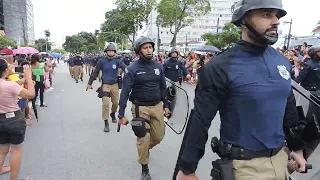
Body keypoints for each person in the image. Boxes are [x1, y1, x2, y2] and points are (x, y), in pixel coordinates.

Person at [176, 0, 307, 180]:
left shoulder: (281, 61)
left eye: (277, 15)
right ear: (244, 20)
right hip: (244, 168)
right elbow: (200, 121)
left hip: (280, 162)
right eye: (266, 14)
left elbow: (288, 107)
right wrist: (187, 169)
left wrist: (297, 148)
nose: (276, 21)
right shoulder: (220, 66)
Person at [118, 37, 170, 180]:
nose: (149, 50)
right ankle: (144, 167)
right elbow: (124, 92)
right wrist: (120, 114)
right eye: (145, 48)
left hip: (157, 106)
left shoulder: (159, 67)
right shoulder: (132, 69)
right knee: (142, 137)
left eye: (150, 47)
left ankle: (145, 150)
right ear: (138, 51)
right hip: (140, 108)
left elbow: (163, 88)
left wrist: (166, 105)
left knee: (158, 137)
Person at [0, 59, 35, 180]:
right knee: (15, 150)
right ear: (4, 70)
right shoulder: (10, 85)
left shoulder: (9, 84)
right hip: (14, 119)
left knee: (2, 150)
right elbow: (30, 94)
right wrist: (29, 79)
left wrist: (21, 79)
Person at [87, 44, 126, 132]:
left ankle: (113, 114)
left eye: (112, 51)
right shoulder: (102, 61)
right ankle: (106, 122)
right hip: (105, 85)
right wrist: (90, 83)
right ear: (106, 52)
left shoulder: (118, 61)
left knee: (115, 103)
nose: (111, 52)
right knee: (105, 104)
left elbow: (125, 68)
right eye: (109, 51)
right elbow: (95, 72)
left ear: (114, 52)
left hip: (115, 84)